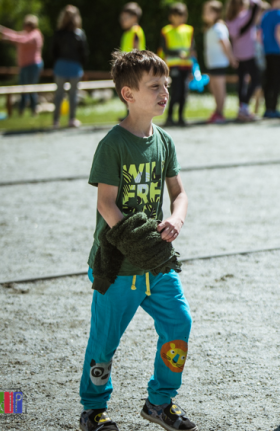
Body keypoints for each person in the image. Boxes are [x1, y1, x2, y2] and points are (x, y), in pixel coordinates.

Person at [79, 49, 195, 431]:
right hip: (120, 268)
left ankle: (160, 401)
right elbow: (107, 204)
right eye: (154, 87)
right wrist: (134, 239)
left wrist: (175, 219)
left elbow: (179, 193)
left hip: (157, 264)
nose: (164, 92)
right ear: (128, 94)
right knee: (104, 343)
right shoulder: (113, 144)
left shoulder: (163, 140)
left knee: (179, 323)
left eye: (166, 85)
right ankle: (93, 409)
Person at [225, 0, 264, 122]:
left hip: (238, 54)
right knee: (256, 80)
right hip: (249, 54)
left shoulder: (229, 20)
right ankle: (245, 106)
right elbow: (258, 5)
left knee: (242, 82)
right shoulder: (245, 16)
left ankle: (242, 108)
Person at [0, 14, 43, 116]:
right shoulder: (27, 33)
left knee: (31, 89)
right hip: (24, 66)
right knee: (22, 89)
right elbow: (16, 34)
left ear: (32, 25)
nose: (24, 26)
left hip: (32, 65)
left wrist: (8, 39)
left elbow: (22, 40)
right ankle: (21, 111)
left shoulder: (35, 35)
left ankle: (33, 110)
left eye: (26, 24)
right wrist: (2, 30)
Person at [158, 3, 195, 126]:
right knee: (175, 92)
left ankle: (181, 117)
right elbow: (164, 49)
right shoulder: (166, 31)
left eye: (182, 16)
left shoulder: (189, 30)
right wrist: (179, 53)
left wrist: (194, 66)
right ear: (171, 17)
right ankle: (169, 117)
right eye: (177, 16)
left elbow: (192, 48)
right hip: (173, 66)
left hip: (187, 65)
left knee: (184, 92)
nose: (180, 19)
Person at [52, 5, 89, 128]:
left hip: (60, 65)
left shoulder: (58, 33)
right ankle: (71, 119)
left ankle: (56, 121)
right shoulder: (79, 34)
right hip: (75, 66)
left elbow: (53, 51)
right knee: (73, 95)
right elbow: (84, 52)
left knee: (59, 94)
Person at [202, 0, 237, 124]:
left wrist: (231, 58)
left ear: (216, 13)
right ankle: (217, 110)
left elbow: (225, 43)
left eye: (208, 11)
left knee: (219, 87)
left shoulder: (219, 27)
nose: (204, 14)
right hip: (212, 63)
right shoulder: (210, 28)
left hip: (219, 63)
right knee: (213, 87)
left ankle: (220, 113)